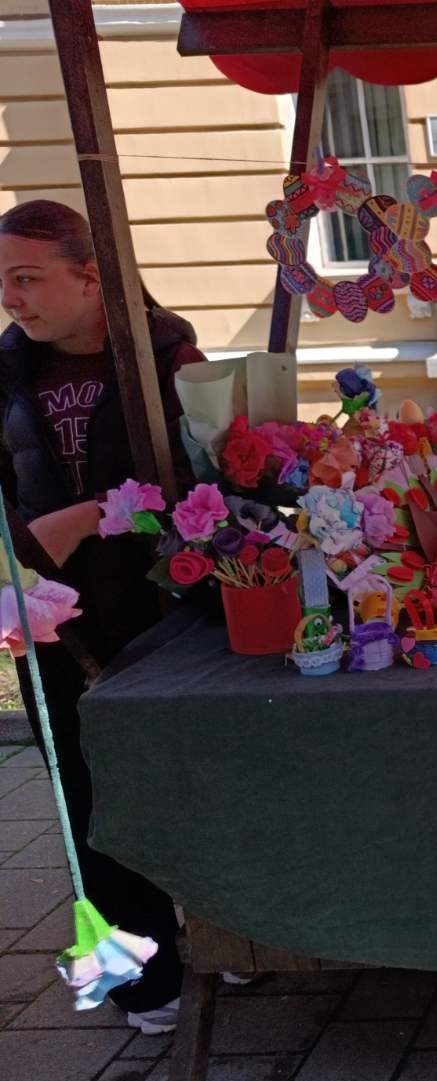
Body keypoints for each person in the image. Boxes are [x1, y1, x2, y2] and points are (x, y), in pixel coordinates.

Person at [0, 199, 202, 1034]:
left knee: (188, 780)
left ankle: (224, 932)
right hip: (48, 623)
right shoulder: (7, 374)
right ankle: (142, 980)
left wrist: (91, 518)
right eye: (3, 281)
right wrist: (30, 548)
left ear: (91, 277)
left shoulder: (168, 358)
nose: (11, 298)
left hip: (161, 608)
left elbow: (204, 490)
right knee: (87, 798)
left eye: (26, 277)